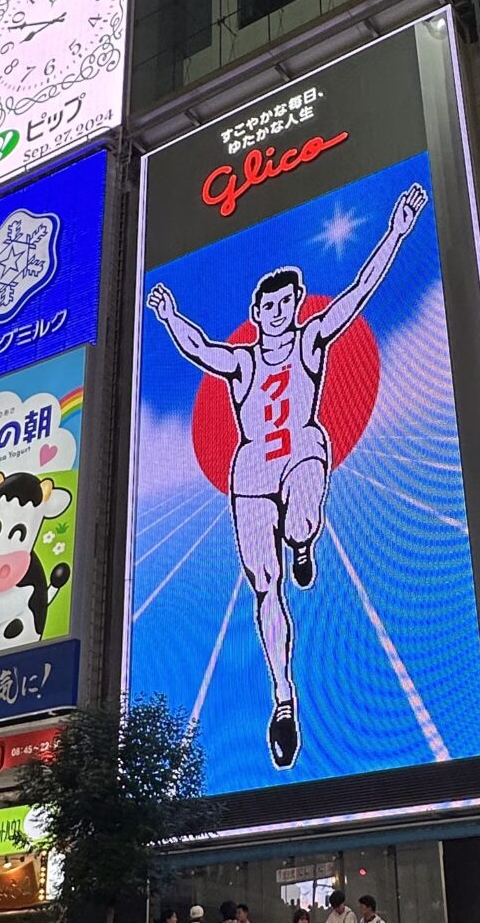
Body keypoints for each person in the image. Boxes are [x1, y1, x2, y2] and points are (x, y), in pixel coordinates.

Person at [145, 183, 429, 771]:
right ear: (256, 313)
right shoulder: (243, 362)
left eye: (288, 304)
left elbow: (358, 293)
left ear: (297, 304)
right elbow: (201, 349)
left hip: (300, 449)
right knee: (265, 587)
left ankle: (304, 541)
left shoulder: (311, 342)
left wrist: (397, 230)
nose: (279, 314)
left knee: (302, 504)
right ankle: (282, 699)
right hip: (249, 470)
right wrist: (171, 318)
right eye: (269, 307)